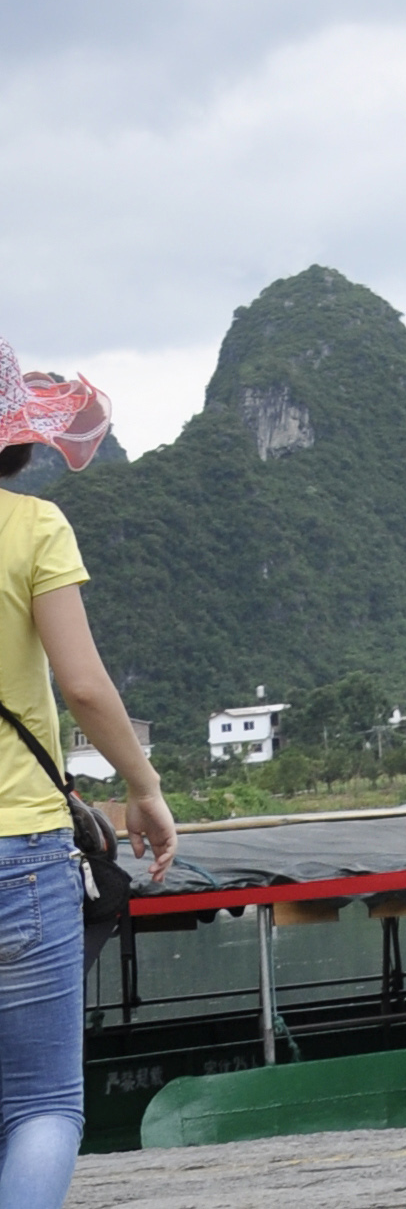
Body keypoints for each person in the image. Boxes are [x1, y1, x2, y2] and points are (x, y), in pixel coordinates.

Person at [1, 346, 176, 1209]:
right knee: (40, 1104)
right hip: (18, 852)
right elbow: (84, 686)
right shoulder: (33, 526)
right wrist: (144, 787)